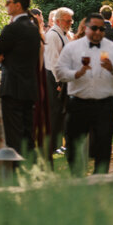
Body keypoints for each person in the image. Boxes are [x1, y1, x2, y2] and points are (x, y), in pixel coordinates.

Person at [55, 14, 113, 174]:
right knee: (74, 145)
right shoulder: (72, 48)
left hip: (104, 104)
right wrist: (76, 73)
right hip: (78, 103)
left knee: (103, 146)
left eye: (101, 29)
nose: (98, 32)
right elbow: (60, 72)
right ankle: (77, 178)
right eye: (94, 28)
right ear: (86, 28)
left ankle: (100, 179)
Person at [0, 0, 42, 156]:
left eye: (8, 2)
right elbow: (21, 55)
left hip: (13, 89)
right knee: (27, 137)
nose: (5, 5)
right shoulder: (33, 28)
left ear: (17, 5)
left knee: (14, 138)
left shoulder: (13, 28)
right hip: (29, 88)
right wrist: (6, 57)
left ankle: (17, 170)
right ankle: (30, 168)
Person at [42, 8, 73, 158]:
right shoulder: (53, 35)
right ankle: (52, 146)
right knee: (55, 113)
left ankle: (58, 145)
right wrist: (59, 82)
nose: (70, 23)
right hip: (54, 78)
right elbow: (53, 61)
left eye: (71, 20)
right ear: (59, 21)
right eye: (68, 21)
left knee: (60, 112)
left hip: (60, 77)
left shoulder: (62, 34)